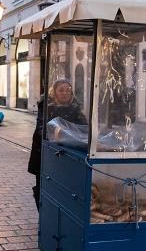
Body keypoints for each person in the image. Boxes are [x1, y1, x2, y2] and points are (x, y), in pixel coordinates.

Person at [28, 78, 88, 211]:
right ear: (54, 92)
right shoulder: (46, 106)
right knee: (43, 183)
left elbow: (83, 127)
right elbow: (41, 127)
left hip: (67, 153)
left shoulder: (75, 107)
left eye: (68, 90)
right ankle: (43, 215)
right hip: (45, 152)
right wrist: (54, 134)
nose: (65, 93)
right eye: (61, 90)